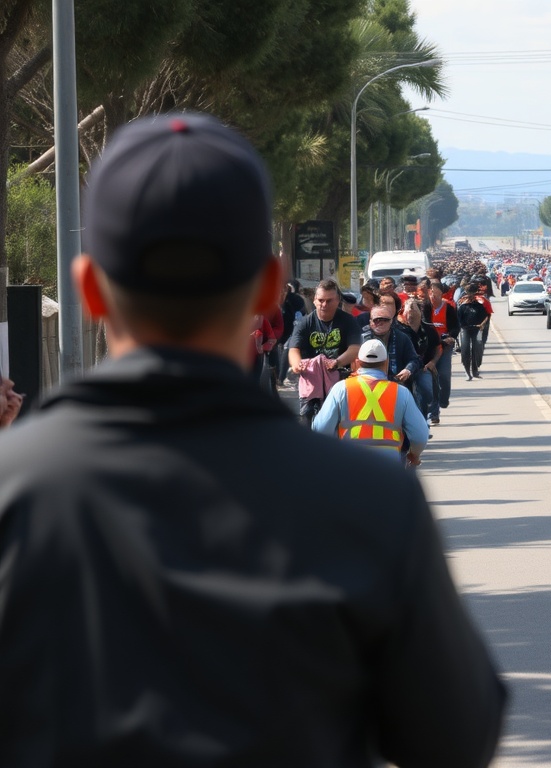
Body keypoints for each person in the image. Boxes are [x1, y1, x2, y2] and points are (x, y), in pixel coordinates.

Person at [0, 112, 505, 766]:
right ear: (269, 288)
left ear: (90, 289)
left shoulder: (14, 488)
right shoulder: (371, 502)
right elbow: (455, 737)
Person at [312, 339, 429, 466]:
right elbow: (420, 435)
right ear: (386, 363)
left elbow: (322, 428)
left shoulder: (341, 388)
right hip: (388, 465)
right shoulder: (401, 393)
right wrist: (414, 454)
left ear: (357, 362)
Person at [287, 278, 362, 425]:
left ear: (338, 300)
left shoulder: (348, 320)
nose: (324, 304)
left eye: (329, 300)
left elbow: (355, 348)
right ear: (314, 300)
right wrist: (297, 365)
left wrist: (337, 362)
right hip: (311, 378)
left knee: (340, 420)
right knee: (306, 419)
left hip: (340, 376)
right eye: (320, 300)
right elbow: (293, 348)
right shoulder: (305, 322)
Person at [396, 298, 442, 422]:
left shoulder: (429, 329)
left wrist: (433, 362)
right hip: (404, 369)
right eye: (408, 308)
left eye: (413, 307)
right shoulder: (399, 331)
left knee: (428, 391)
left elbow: (438, 348)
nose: (410, 311)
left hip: (423, 367)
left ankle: (429, 413)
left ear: (420, 312)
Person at [361, 304, 420, 384]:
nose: (381, 323)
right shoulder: (361, 338)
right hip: (366, 382)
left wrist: (408, 370)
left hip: (396, 382)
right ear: (370, 321)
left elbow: (414, 359)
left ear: (391, 321)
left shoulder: (402, 338)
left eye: (385, 320)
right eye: (377, 320)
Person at [427, 280, 460, 419]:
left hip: (445, 347)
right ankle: (434, 413)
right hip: (429, 347)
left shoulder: (449, 308)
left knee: (444, 376)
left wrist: (451, 337)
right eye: (431, 292)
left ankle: (444, 399)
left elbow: (455, 327)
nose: (433, 295)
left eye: (435, 292)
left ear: (441, 293)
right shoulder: (424, 307)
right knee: (432, 379)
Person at [458, 282, 490, 380]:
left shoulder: (482, 302)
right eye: (469, 292)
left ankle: (475, 370)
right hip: (465, 329)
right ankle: (467, 371)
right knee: (465, 350)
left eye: (472, 292)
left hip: (477, 329)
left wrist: (481, 325)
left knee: (477, 349)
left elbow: (487, 315)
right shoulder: (462, 303)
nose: (470, 295)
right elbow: (458, 317)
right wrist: (462, 326)